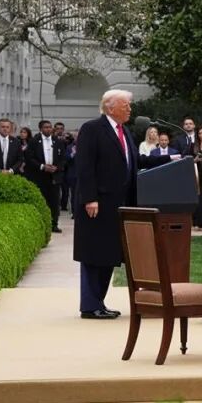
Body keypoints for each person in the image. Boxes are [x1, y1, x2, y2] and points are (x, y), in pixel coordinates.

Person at [73, 90, 170, 319]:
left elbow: (135, 161)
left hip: (119, 205)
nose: (130, 109)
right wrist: (90, 198)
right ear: (110, 107)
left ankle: (99, 303)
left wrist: (170, 158)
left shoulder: (123, 131)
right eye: (125, 105)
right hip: (98, 204)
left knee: (108, 255)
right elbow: (85, 166)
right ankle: (89, 305)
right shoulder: (92, 129)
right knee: (93, 254)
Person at [25, 119, 67, 233]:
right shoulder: (34, 141)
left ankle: (54, 224)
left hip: (54, 176)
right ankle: (42, 224)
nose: (48, 129)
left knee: (54, 201)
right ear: (40, 129)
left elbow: (63, 158)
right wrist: (42, 166)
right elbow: (29, 158)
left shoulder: (57, 141)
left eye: (49, 127)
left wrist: (57, 167)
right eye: (45, 127)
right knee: (42, 200)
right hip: (40, 175)